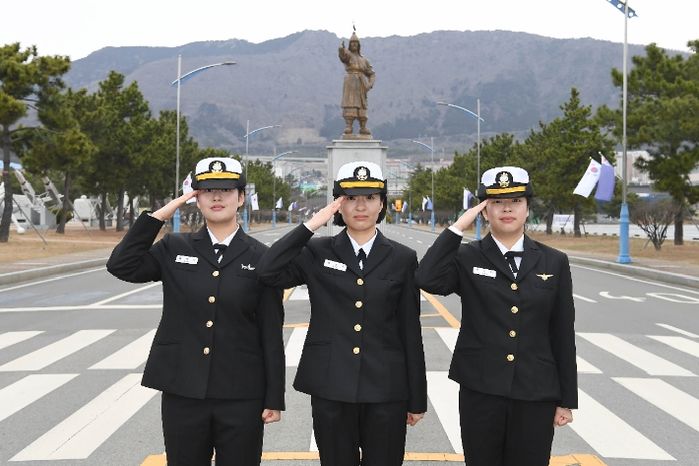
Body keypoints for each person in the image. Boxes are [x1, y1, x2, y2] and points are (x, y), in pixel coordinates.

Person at [106, 157, 285, 466]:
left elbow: (270, 331)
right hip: (183, 390)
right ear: (195, 197)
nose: (217, 197)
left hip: (241, 394)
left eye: (226, 190)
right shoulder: (174, 248)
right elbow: (121, 265)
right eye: (207, 190)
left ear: (241, 198)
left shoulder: (262, 257)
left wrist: (274, 397)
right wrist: (162, 213)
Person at [257, 161, 427, 466]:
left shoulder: (402, 258)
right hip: (330, 385)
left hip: (386, 389)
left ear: (381, 204)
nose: (360, 206)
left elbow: (410, 330)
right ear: (338, 205)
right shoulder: (317, 251)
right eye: (350, 198)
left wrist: (416, 397)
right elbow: (268, 271)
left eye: (370, 197)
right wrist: (311, 225)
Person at [415, 166, 577, 466]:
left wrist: (566, 399)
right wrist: (457, 228)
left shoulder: (554, 261)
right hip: (481, 388)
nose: (507, 208)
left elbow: (562, 333)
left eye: (515, 201)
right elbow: (426, 278)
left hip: (536, 391)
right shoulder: (468, 256)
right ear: (484, 211)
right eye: (496, 202)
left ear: (528, 208)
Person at [339, 31, 376, 136]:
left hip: (362, 83)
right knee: (350, 103)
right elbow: (343, 57)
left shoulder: (364, 60)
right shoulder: (348, 56)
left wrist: (370, 84)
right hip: (350, 82)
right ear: (350, 45)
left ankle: (363, 127)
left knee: (362, 105)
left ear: (359, 45)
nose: (354, 44)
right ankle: (349, 126)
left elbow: (372, 74)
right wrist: (341, 49)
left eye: (356, 43)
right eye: (352, 43)